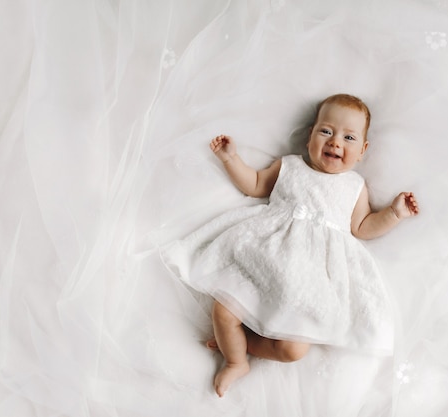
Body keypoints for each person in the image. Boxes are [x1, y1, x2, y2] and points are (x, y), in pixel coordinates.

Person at [160, 94, 419, 397]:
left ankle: (244, 341)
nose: (335, 142)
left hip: (308, 283)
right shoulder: (290, 166)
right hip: (264, 258)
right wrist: (231, 158)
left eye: (349, 137)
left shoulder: (354, 186)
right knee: (224, 310)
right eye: (326, 131)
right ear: (310, 136)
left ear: (362, 150)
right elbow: (255, 184)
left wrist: (394, 213)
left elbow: (361, 228)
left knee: (294, 350)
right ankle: (235, 359)